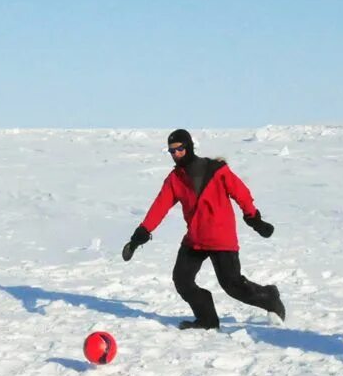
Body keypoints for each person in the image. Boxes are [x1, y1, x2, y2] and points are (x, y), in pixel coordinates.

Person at [121, 129, 285, 330]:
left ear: (188, 146)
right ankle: (207, 318)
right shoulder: (175, 179)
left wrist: (254, 218)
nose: (176, 154)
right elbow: (159, 206)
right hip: (195, 239)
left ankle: (269, 298)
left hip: (220, 238)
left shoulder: (216, 170)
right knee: (182, 281)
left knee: (232, 286)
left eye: (180, 149)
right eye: (171, 151)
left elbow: (240, 192)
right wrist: (142, 233)